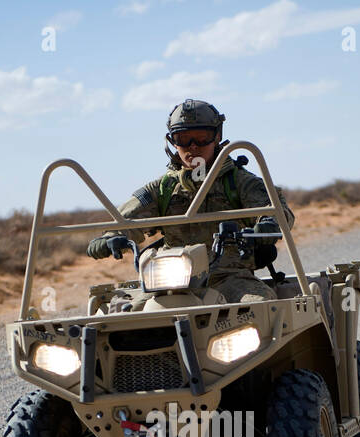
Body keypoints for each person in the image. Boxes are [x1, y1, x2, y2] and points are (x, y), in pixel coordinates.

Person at [87, 99, 293, 303]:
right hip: (169, 280)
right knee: (127, 316)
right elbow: (125, 220)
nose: (193, 147)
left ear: (217, 136)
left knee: (258, 305)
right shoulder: (162, 188)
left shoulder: (239, 182)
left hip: (228, 277)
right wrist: (111, 237)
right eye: (183, 138)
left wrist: (268, 225)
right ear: (172, 141)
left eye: (201, 137)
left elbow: (277, 212)